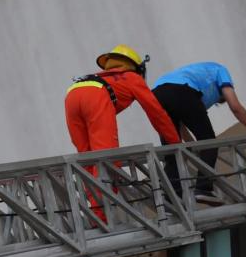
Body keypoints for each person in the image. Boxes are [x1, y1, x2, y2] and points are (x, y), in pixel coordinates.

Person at [65, 44, 180, 221]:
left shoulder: (100, 76)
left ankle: (96, 217)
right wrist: (175, 142)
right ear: (135, 66)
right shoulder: (131, 77)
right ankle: (102, 217)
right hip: (96, 96)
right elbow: (156, 112)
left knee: (87, 159)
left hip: (72, 94)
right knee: (108, 159)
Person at [152, 61, 246, 203]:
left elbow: (181, 123)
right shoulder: (221, 70)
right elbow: (235, 106)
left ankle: (171, 199)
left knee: (172, 151)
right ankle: (203, 188)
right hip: (182, 90)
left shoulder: (195, 76)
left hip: (156, 95)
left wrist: (192, 146)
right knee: (209, 142)